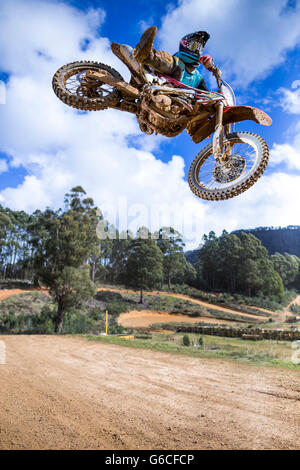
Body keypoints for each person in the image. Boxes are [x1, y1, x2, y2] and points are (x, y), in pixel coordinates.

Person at [132, 26, 219, 91]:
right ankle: (147, 55)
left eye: (199, 48)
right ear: (185, 44)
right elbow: (174, 63)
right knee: (177, 63)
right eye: (194, 46)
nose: (196, 50)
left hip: (183, 104)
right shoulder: (176, 62)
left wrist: (216, 99)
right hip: (163, 87)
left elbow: (207, 94)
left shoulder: (198, 77)